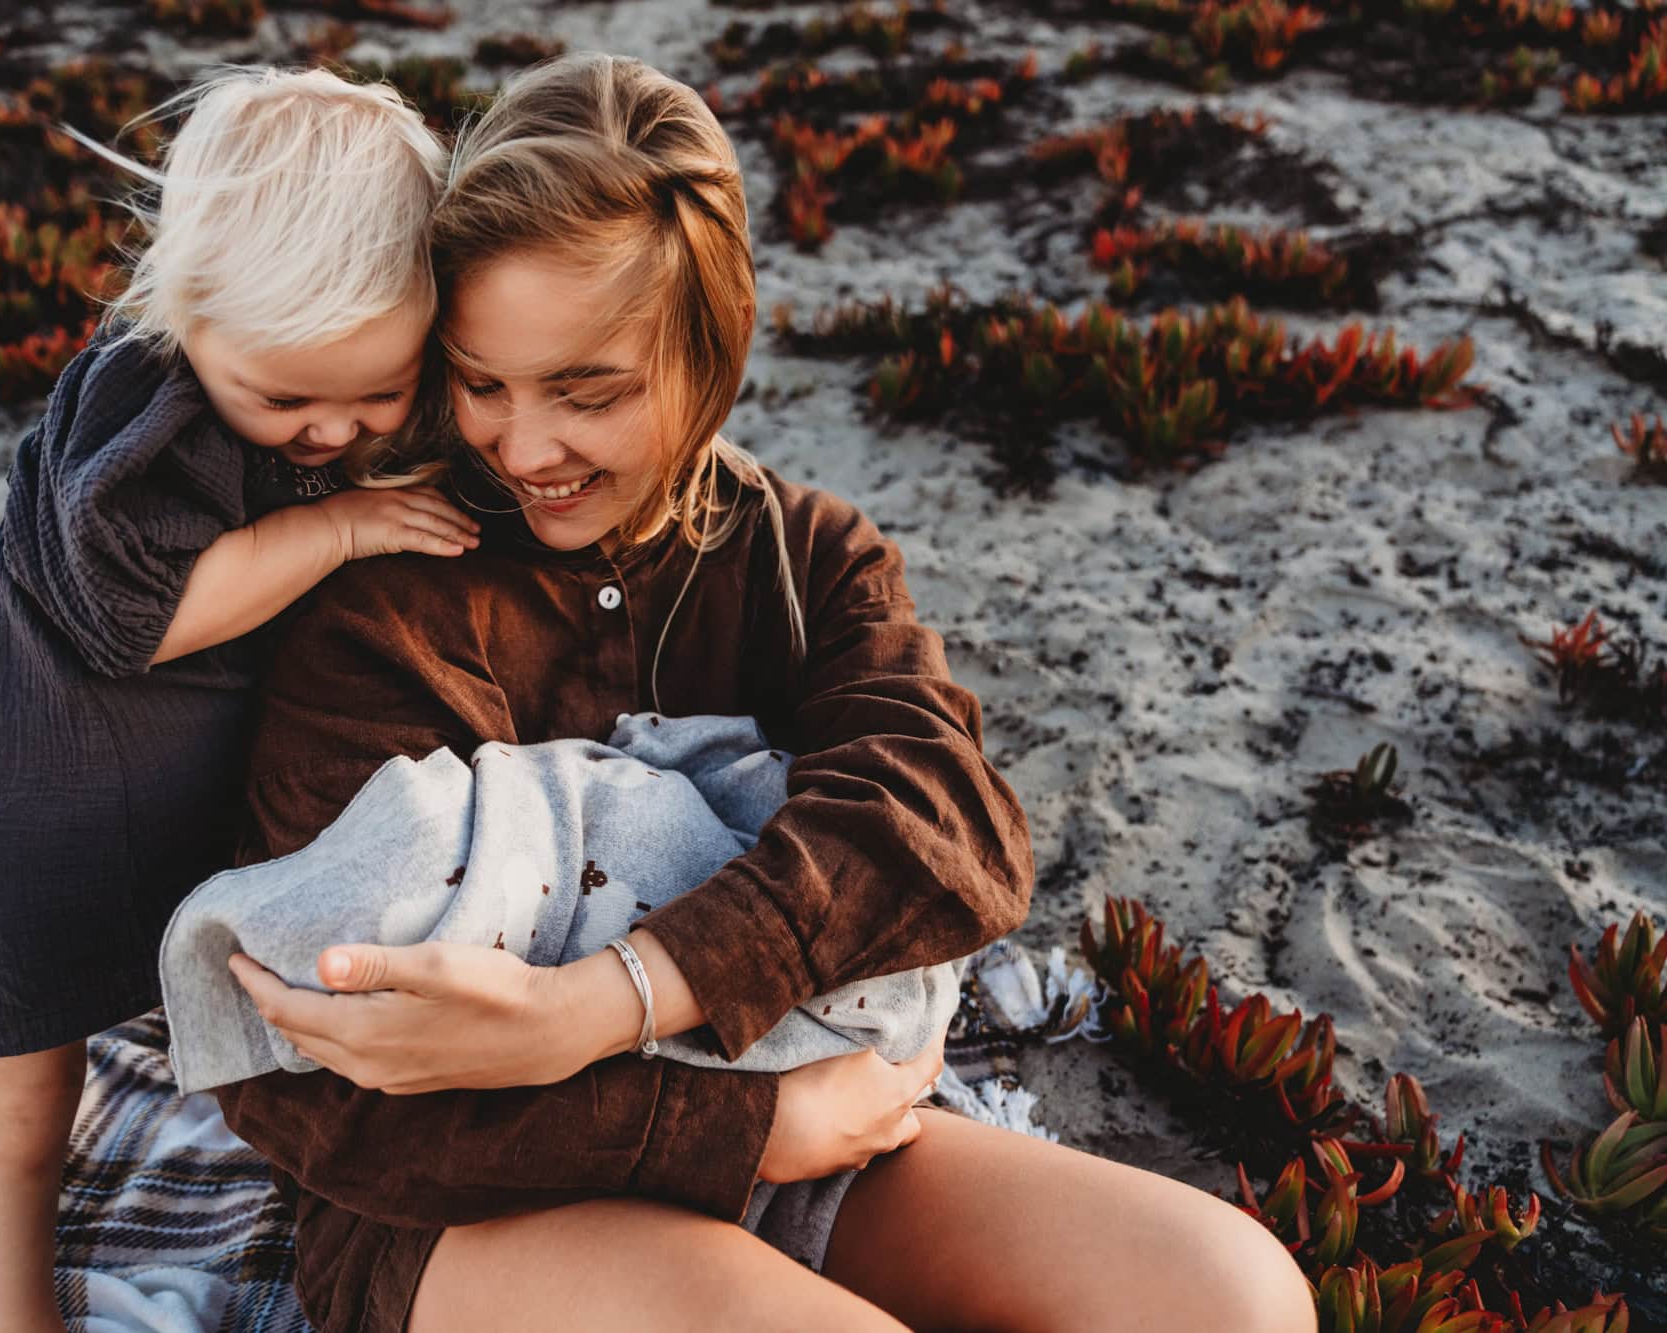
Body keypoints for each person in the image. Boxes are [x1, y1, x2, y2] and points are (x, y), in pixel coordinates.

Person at [219, 52, 1317, 1333]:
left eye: (588, 392)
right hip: (470, 1212)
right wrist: (736, 1127)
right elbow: (316, 1091)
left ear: (711, 348)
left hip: (810, 1122)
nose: (524, 448)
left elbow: (942, 827)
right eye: (481, 384)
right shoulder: (384, 594)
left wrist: (596, 1004)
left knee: (1233, 1298)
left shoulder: (804, 556)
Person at [0, 67, 480, 1333]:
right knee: (19, 1120)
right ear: (185, 317)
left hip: (143, 807)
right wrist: (345, 529)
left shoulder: (287, 380)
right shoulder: (139, 406)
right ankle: (14, 1318)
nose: (330, 433)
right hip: (5, 829)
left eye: (377, 394)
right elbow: (143, 616)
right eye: (287, 400)